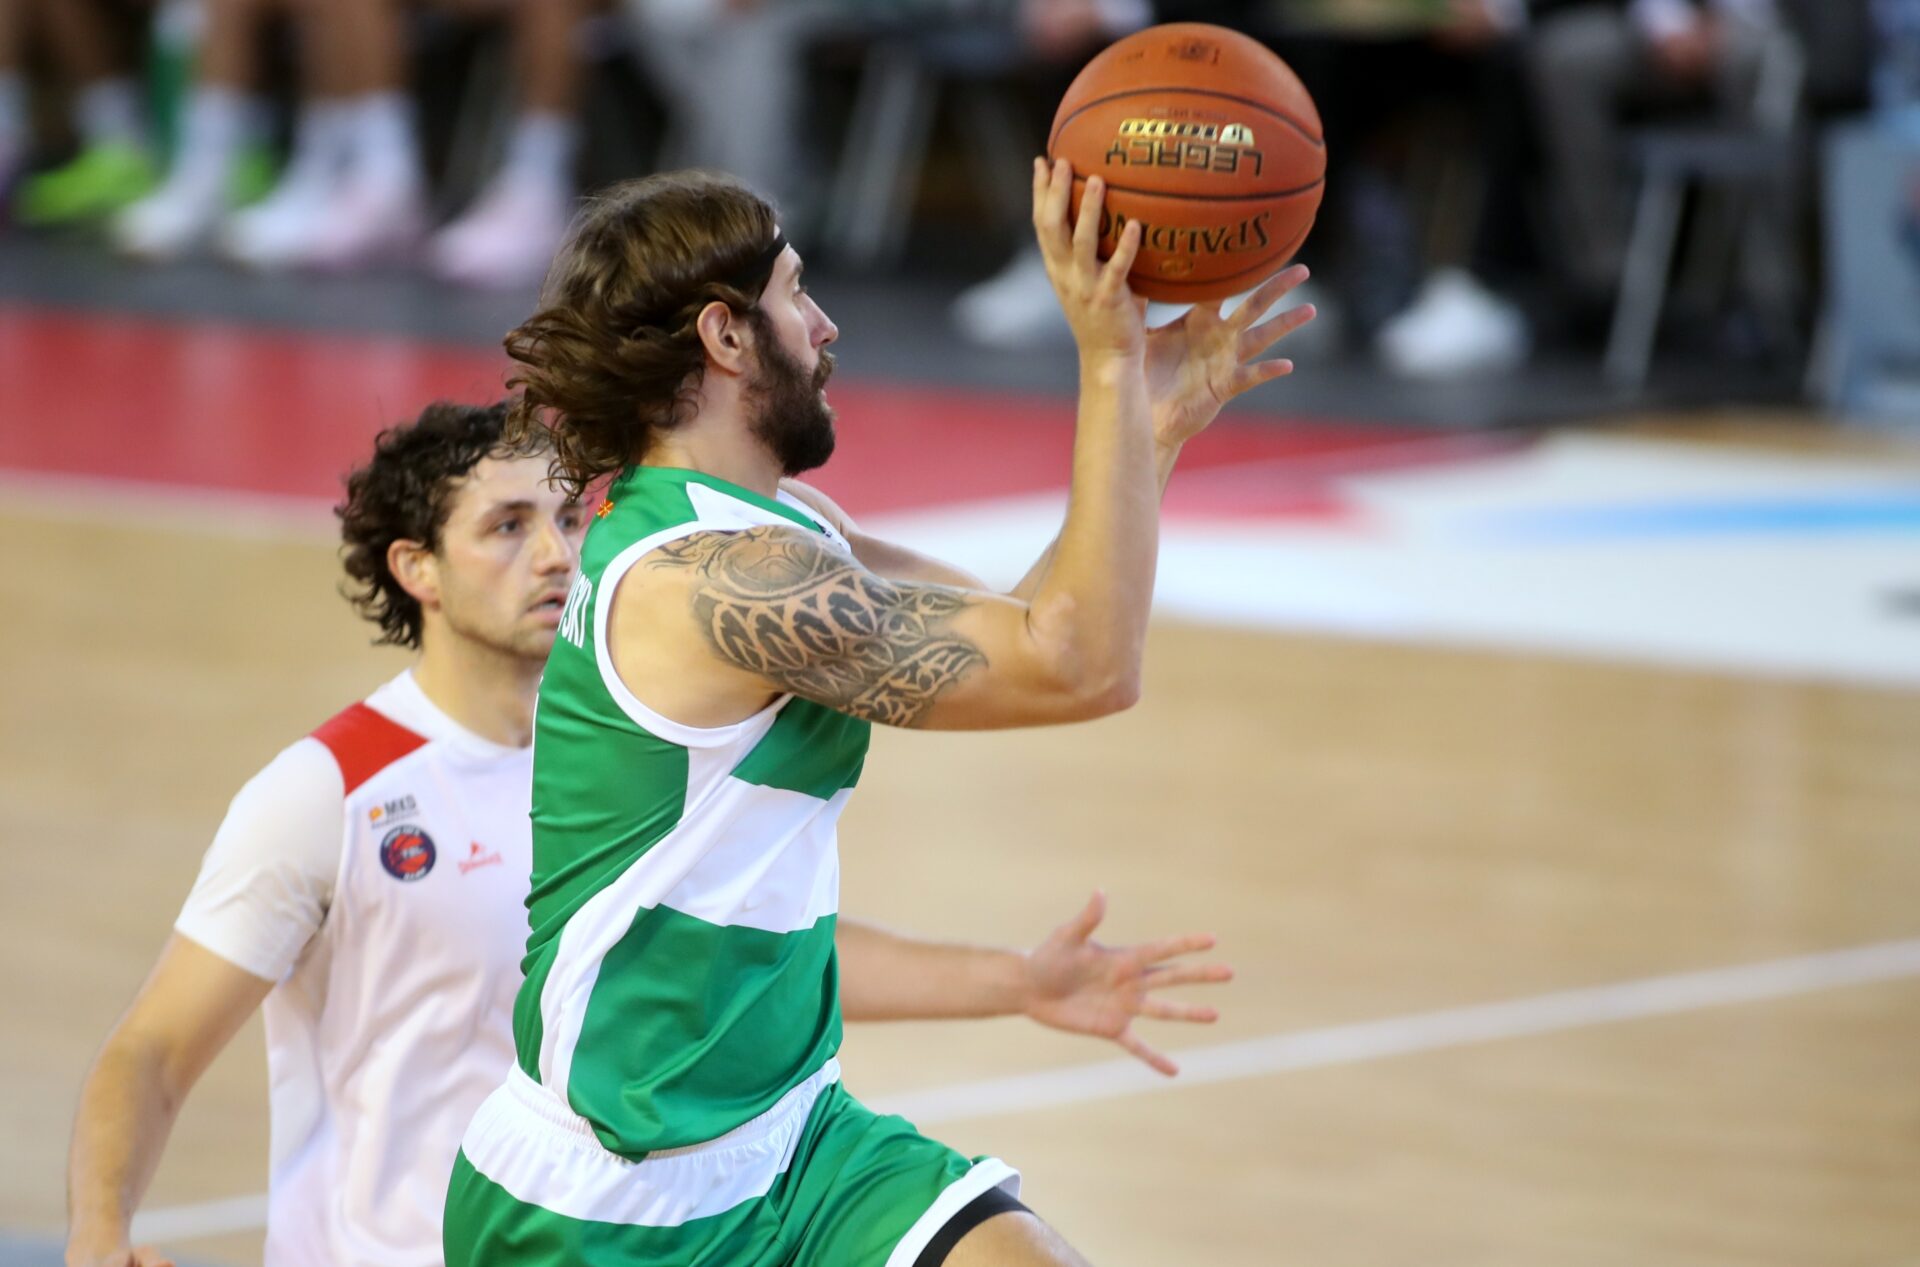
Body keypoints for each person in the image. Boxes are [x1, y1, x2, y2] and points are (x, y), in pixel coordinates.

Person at [64, 401, 1232, 1267]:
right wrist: (99, 1234)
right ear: (416, 568)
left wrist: (1017, 980)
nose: (555, 553)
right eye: (506, 527)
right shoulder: (331, 792)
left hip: (673, 1217)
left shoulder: (646, 743)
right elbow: (153, 1049)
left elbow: (736, 960)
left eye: (566, 517)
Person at [442, 164, 1313, 1265]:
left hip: (794, 1139)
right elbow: (1081, 665)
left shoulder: (782, 528)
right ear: (725, 334)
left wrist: (1149, 424)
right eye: (795, 293)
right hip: (607, 1203)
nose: (826, 326)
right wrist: (1106, 364)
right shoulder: (709, 584)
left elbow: (1025, 629)